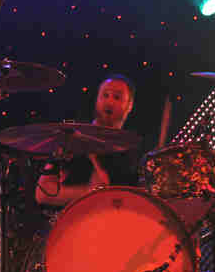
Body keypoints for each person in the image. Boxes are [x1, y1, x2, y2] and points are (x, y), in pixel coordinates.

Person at [34, 74, 139, 207]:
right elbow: (42, 195)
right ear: (97, 99)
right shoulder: (72, 139)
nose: (109, 102)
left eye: (117, 97)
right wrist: (89, 193)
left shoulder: (130, 153)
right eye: (105, 95)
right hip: (70, 217)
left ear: (130, 105)